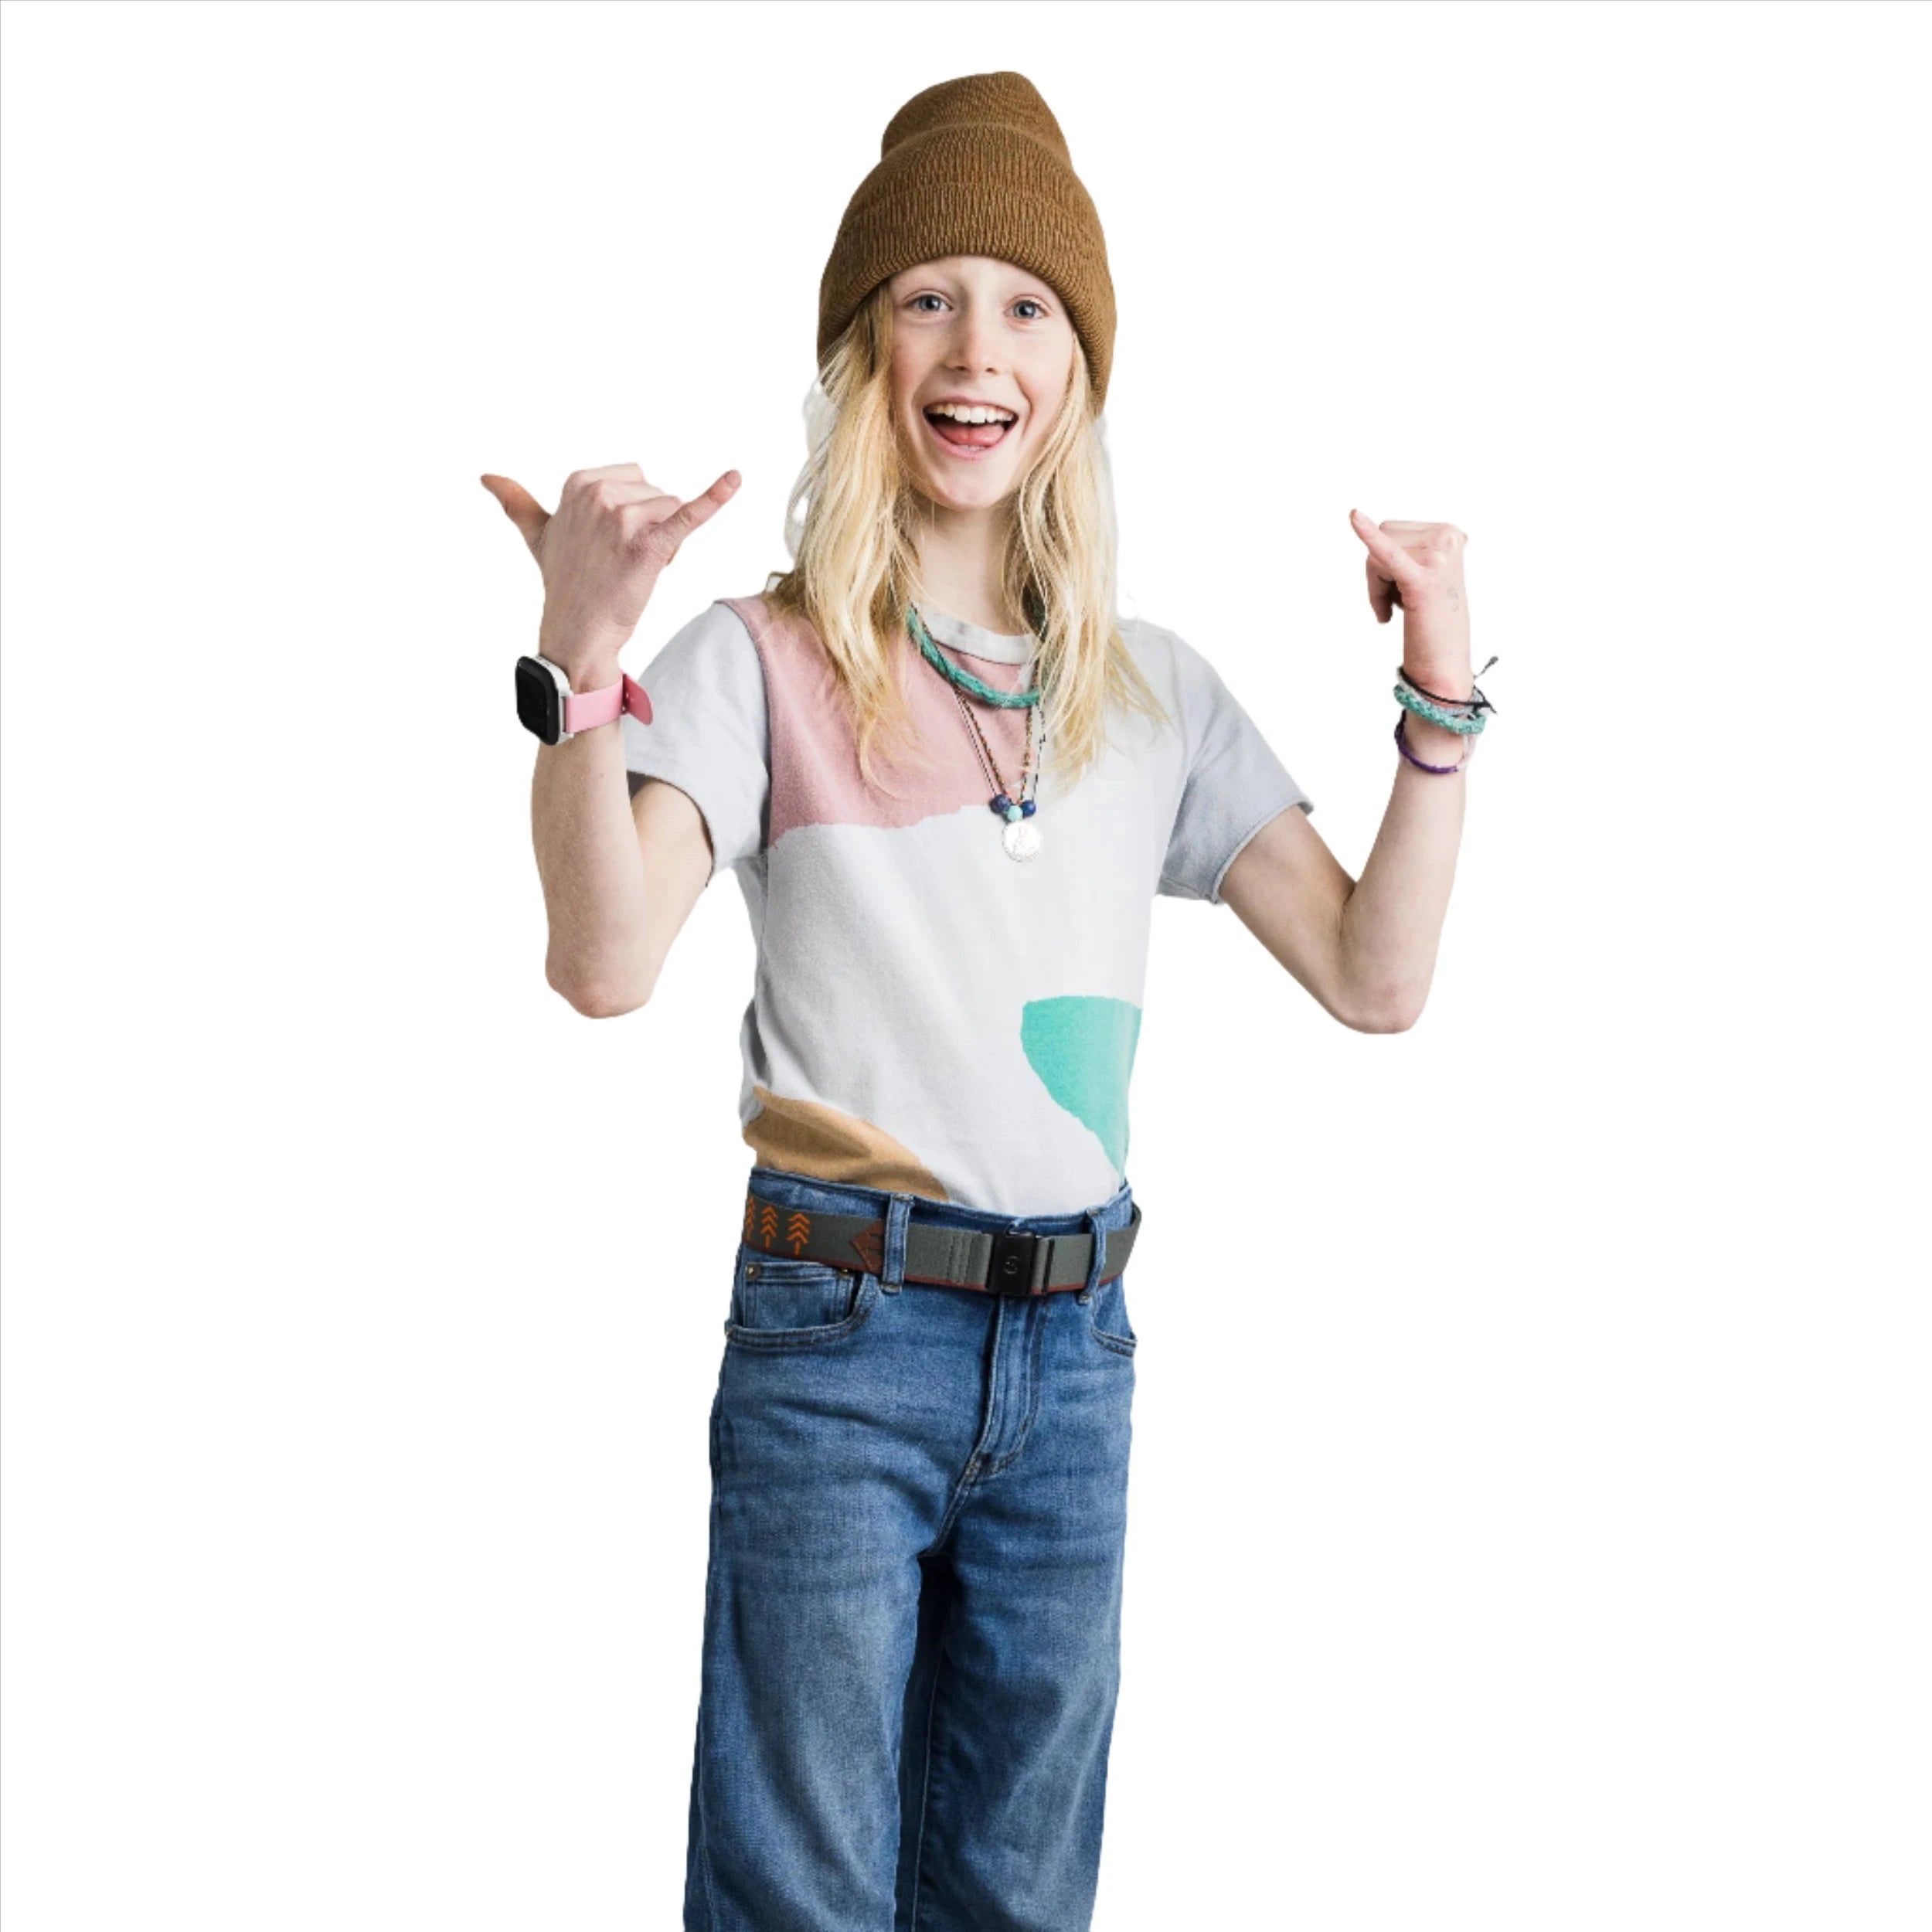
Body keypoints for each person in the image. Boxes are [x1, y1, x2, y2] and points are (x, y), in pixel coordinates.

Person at [485, 66, 1488, 1932]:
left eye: (1026, 305)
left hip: (1077, 1355)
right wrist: (581, 662)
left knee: (1018, 1896)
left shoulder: (1151, 697)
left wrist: (1436, 699)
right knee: (800, 1892)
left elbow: (1375, 973)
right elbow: (603, 959)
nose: (977, 343)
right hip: (836, 1336)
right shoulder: (760, 660)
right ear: (867, 351)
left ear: (1076, 372)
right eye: (928, 295)